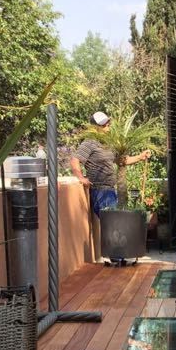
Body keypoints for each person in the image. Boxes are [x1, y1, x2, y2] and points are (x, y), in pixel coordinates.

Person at [70, 111, 151, 262]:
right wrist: (81, 177)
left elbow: (121, 161)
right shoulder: (89, 143)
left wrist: (140, 157)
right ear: (94, 127)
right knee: (114, 222)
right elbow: (75, 160)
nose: (107, 126)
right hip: (100, 190)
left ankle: (118, 256)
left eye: (107, 123)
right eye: (103, 124)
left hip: (111, 189)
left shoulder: (108, 144)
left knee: (115, 221)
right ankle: (117, 257)